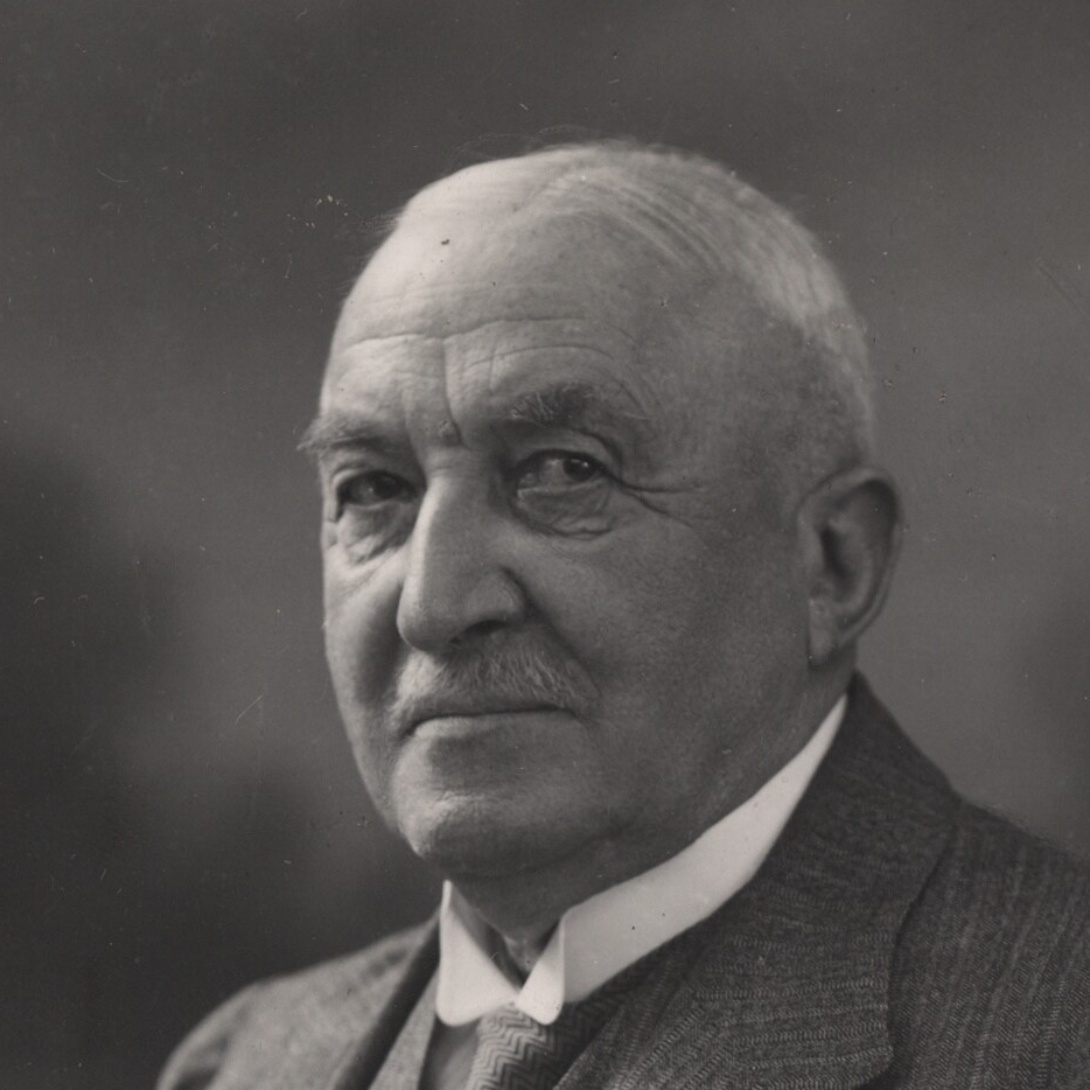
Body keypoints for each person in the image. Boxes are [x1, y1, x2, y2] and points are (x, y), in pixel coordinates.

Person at [157, 141, 1090, 1090]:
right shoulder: (242, 1064)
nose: (434, 607)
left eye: (564, 471)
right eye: (373, 489)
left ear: (832, 565)